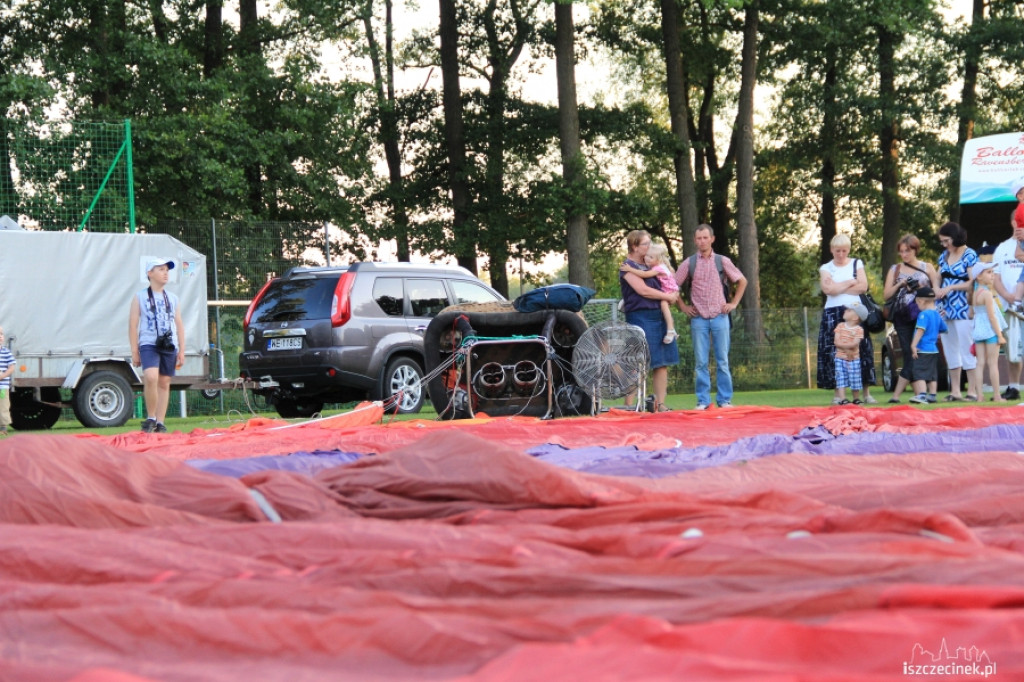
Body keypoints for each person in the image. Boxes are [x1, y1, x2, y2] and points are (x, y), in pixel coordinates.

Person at [675, 224, 746, 410]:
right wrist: (683, 306)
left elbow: (742, 280)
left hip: (720, 317)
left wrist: (734, 303)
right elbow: (672, 286)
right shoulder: (689, 263)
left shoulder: (722, 261)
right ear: (694, 240)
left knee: (722, 360)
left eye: (705, 238)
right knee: (701, 362)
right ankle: (703, 401)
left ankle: (724, 400)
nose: (702, 241)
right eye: (699, 238)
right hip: (698, 318)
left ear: (712, 239)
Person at [619, 230, 680, 412]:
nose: (649, 246)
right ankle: (629, 407)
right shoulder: (627, 267)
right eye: (645, 244)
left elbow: (669, 280)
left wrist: (674, 294)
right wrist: (667, 297)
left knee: (661, 363)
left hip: (659, 315)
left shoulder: (652, 263)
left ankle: (659, 405)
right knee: (637, 362)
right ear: (634, 246)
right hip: (640, 316)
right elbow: (643, 290)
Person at [816, 234, 877, 405]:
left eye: (844, 251)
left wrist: (837, 286)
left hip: (856, 310)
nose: (841, 254)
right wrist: (850, 282)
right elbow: (827, 289)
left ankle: (865, 393)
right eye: (837, 251)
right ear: (831, 250)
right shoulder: (826, 267)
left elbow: (863, 286)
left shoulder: (857, 263)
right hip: (832, 313)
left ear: (848, 250)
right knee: (834, 352)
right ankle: (838, 394)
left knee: (862, 350)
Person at [129, 258, 185, 433]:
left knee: (164, 381)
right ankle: (151, 417)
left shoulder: (173, 298)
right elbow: (132, 325)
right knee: (151, 376)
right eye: (160, 269)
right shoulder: (140, 297)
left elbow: (179, 324)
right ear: (149, 273)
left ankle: (160, 422)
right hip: (148, 343)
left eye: (167, 270)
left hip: (169, 345)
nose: (165, 272)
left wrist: (182, 350)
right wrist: (134, 350)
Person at [882, 234, 939, 403]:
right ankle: (915, 394)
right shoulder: (895, 270)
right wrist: (900, 284)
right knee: (909, 352)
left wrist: (922, 288)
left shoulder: (927, 267)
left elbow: (936, 293)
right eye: (901, 252)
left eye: (907, 251)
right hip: (902, 317)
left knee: (921, 353)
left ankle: (911, 394)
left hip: (922, 316)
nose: (904, 255)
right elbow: (886, 295)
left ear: (915, 249)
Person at [935, 222, 980, 401]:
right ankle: (955, 391)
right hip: (945, 308)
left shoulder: (970, 255)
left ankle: (972, 390)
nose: (945, 244)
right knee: (949, 348)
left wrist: (951, 287)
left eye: (946, 240)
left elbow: (972, 281)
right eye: (942, 242)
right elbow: (938, 277)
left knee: (966, 347)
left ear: (955, 237)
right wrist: (936, 289)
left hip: (963, 306)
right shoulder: (944, 255)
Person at [620, 242, 686, 343]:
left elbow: (644, 275)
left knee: (663, 304)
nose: (647, 258)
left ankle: (671, 329)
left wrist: (630, 269)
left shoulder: (658, 268)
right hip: (666, 289)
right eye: (647, 256)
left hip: (669, 290)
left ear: (658, 259)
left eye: (651, 257)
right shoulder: (658, 266)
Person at [992, 219, 1024, 400]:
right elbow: (995, 277)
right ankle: (1014, 386)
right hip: (1011, 306)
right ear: (1013, 222)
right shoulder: (1003, 248)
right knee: (1014, 348)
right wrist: (1008, 296)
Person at [971, 262, 1008, 402]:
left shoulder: (974, 293)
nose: (992, 275)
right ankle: (997, 395)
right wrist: (999, 335)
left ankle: (979, 395)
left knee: (980, 363)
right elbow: (992, 316)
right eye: (989, 272)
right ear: (979, 277)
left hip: (978, 331)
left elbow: (972, 313)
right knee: (993, 364)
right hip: (990, 331)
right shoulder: (986, 293)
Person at [907, 287, 947, 404]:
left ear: (920, 301)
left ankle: (922, 395)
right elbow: (944, 329)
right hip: (934, 349)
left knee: (919, 372)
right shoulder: (936, 314)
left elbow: (920, 330)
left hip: (923, 348)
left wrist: (913, 345)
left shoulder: (923, 315)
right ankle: (932, 395)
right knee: (932, 373)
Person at [833, 304, 867, 405]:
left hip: (854, 359)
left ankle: (856, 398)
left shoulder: (859, 330)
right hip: (840, 358)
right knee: (841, 377)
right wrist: (847, 349)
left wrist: (845, 347)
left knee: (855, 378)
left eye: (849, 310)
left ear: (855, 317)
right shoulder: (840, 326)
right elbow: (836, 342)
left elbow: (855, 343)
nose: (845, 311)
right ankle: (842, 398)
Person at [0, 326, 14, 436]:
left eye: (1, 334)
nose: (0, 336)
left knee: (3, 406)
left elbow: (12, 367)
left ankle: (3, 428)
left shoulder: (6, 352)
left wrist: (2, 376)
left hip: (2, 387)